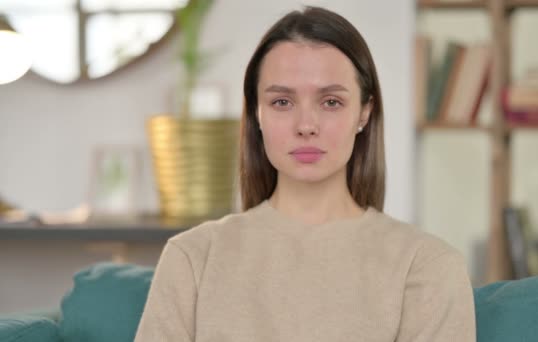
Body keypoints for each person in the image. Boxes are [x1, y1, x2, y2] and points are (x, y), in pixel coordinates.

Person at [135, 6, 476, 342]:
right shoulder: (193, 258)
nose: (306, 126)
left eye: (331, 102)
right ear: (256, 113)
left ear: (365, 113)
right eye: (282, 102)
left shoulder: (427, 265)